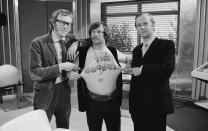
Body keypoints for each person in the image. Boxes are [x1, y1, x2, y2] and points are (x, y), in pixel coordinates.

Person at [68, 21, 130, 131]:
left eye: (99, 32)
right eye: (92, 32)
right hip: (92, 102)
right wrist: (69, 72)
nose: (95, 34)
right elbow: (69, 64)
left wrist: (129, 66)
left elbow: (129, 60)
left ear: (105, 35)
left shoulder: (113, 51)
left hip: (113, 102)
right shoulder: (83, 52)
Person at [29, 9, 79, 129]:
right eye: (62, 22)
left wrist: (76, 43)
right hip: (45, 93)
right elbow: (35, 73)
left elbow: (87, 41)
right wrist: (61, 67)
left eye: (69, 24)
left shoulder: (69, 39)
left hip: (64, 91)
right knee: (40, 127)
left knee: (63, 125)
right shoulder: (38, 43)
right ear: (53, 23)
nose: (66, 26)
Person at [129, 13, 175, 131]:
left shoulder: (167, 45)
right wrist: (129, 68)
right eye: (138, 25)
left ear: (153, 25)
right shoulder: (136, 50)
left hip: (156, 104)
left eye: (145, 23)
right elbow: (135, 72)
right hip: (137, 105)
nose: (142, 27)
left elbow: (167, 68)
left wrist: (142, 69)